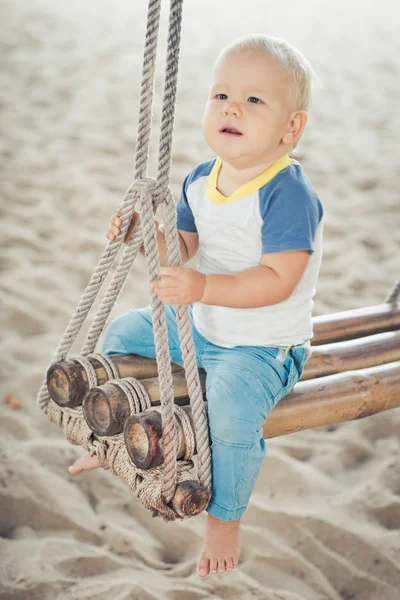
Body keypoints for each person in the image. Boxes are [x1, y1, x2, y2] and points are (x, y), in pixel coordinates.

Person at [68, 34, 324, 578]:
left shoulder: (286, 193)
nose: (232, 107)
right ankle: (111, 437)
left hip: (262, 347)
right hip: (201, 328)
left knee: (230, 411)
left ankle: (224, 517)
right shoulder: (199, 180)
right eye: (222, 95)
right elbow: (180, 248)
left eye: (255, 100)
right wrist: (139, 237)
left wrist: (202, 289)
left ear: (291, 128)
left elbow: (279, 279)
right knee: (121, 337)